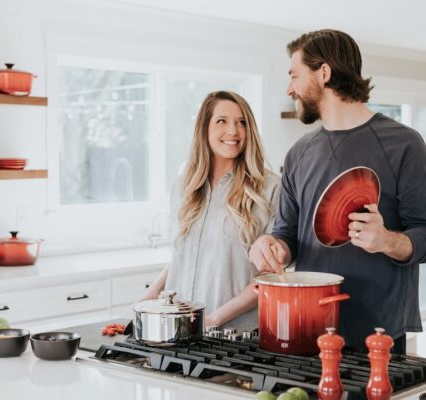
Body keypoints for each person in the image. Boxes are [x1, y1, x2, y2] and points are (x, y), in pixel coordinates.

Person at [249, 29, 426, 354]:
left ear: (324, 73)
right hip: (308, 329)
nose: (290, 88)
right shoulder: (298, 153)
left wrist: (387, 240)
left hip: (378, 336)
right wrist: (271, 246)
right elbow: (287, 236)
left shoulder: (404, 144)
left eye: (294, 75)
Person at [141, 90, 281, 331]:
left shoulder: (269, 188)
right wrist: (149, 298)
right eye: (221, 121)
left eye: (241, 123)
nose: (233, 131)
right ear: (204, 129)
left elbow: (271, 277)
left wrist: (213, 319)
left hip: (236, 335)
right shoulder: (184, 185)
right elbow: (183, 255)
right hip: (180, 331)